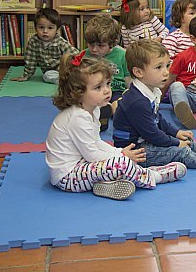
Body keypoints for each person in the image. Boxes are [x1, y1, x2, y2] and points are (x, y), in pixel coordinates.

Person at [45, 52, 186, 201]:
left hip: (81, 166)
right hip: (68, 178)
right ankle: (154, 176)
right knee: (122, 164)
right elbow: (92, 155)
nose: (107, 90)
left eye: (108, 84)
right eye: (98, 87)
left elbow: (96, 142)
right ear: (77, 93)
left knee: (121, 160)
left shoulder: (93, 109)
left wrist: (119, 151)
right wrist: (122, 156)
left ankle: (107, 184)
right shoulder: (78, 118)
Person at [113, 40, 196, 169]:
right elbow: (152, 134)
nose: (166, 72)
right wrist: (176, 142)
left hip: (144, 141)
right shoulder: (137, 101)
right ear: (138, 72)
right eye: (159, 67)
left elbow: (157, 119)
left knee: (186, 143)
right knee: (181, 152)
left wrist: (175, 133)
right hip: (135, 151)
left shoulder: (151, 91)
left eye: (167, 66)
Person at [83, 14, 131, 131]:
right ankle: (100, 113)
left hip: (116, 90)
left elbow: (128, 78)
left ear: (112, 43)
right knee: (87, 104)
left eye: (100, 45)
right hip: (95, 91)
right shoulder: (85, 56)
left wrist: (131, 92)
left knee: (119, 104)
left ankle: (112, 112)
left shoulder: (122, 54)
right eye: (90, 44)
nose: (94, 49)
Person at [11, 7, 78, 84]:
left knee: (75, 72)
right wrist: (26, 75)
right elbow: (30, 61)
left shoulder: (60, 42)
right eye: (41, 27)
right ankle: (65, 81)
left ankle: (70, 79)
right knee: (46, 76)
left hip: (64, 70)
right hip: (50, 73)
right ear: (35, 28)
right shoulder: (33, 42)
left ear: (57, 29)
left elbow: (75, 54)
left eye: (50, 28)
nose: (45, 31)